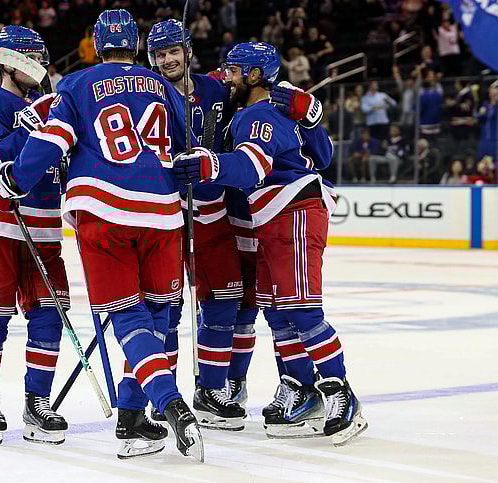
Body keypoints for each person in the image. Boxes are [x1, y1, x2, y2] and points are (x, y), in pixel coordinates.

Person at [0, 10, 204, 462]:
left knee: (127, 318)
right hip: (164, 214)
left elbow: (52, 143)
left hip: (103, 210)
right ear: (136, 45)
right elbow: (189, 145)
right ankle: (130, 418)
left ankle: (172, 406)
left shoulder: (75, 85)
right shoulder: (162, 85)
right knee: (159, 317)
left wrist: (17, 179)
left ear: (98, 44)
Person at [173, 42, 367, 446]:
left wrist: (210, 165)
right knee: (277, 313)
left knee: (301, 310)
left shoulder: (257, 114)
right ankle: (301, 391)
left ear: (255, 76)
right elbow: (323, 154)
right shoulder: (258, 111)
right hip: (270, 216)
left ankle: (340, 393)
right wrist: (312, 122)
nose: (226, 77)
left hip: (292, 209)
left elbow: (253, 166)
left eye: (233, 71)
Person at [147, 19, 327, 429]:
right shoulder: (146, 92)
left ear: (188, 50)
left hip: (231, 205)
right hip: (169, 211)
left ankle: (225, 387)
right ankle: (178, 393)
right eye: (159, 53)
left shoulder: (218, 88)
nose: (168, 59)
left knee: (242, 301)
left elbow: (272, 109)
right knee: (176, 306)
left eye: (175, 50)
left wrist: (309, 113)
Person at [0, 26, 70, 447]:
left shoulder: (47, 105)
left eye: (43, 59)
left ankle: (37, 402)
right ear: (9, 61)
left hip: (43, 223)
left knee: (50, 314)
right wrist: (27, 128)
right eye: (33, 58)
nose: (41, 66)